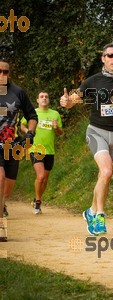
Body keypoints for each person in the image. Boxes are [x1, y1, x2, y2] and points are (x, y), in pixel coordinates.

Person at [60, 43, 113, 236]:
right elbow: (72, 101)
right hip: (96, 132)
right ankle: (99, 218)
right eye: (110, 55)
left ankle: (91, 211)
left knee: (103, 176)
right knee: (106, 172)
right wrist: (66, 102)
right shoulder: (92, 81)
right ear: (103, 59)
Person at [0, 59, 38, 242]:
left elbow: (32, 115)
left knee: (7, 188)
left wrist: (30, 132)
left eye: (5, 72)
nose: (2, 75)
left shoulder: (18, 92)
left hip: (12, 146)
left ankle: (2, 204)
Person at [21, 91, 62, 214]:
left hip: (49, 150)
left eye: (46, 96)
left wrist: (56, 128)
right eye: (41, 97)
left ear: (49, 100)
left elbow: (60, 132)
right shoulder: (32, 113)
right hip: (36, 148)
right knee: (40, 176)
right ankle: (38, 202)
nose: (44, 98)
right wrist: (28, 130)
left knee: (45, 179)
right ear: (37, 100)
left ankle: (36, 198)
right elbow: (22, 125)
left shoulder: (55, 114)